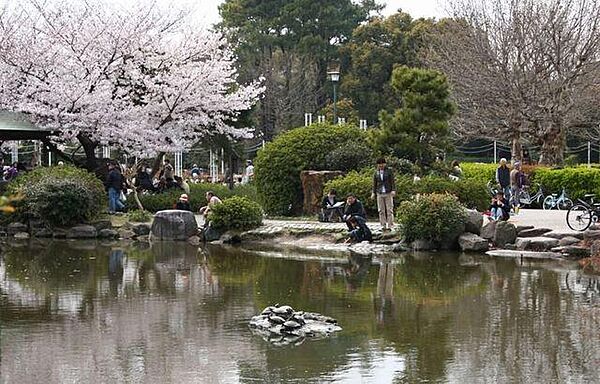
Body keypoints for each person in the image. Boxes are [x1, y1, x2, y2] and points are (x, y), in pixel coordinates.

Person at [371, 157, 396, 231]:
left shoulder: (389, 171)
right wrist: (373, 192)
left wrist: (393, 190)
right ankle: (383, 225)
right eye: (379, 164)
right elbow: (374, 183)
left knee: (389, 209)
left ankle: (390, 224)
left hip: (388, 192)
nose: (381, 165)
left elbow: (392, 181)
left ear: (385, 164)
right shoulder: (376, 172)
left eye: (382, 164)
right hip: (379, 192)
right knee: (381, 210)